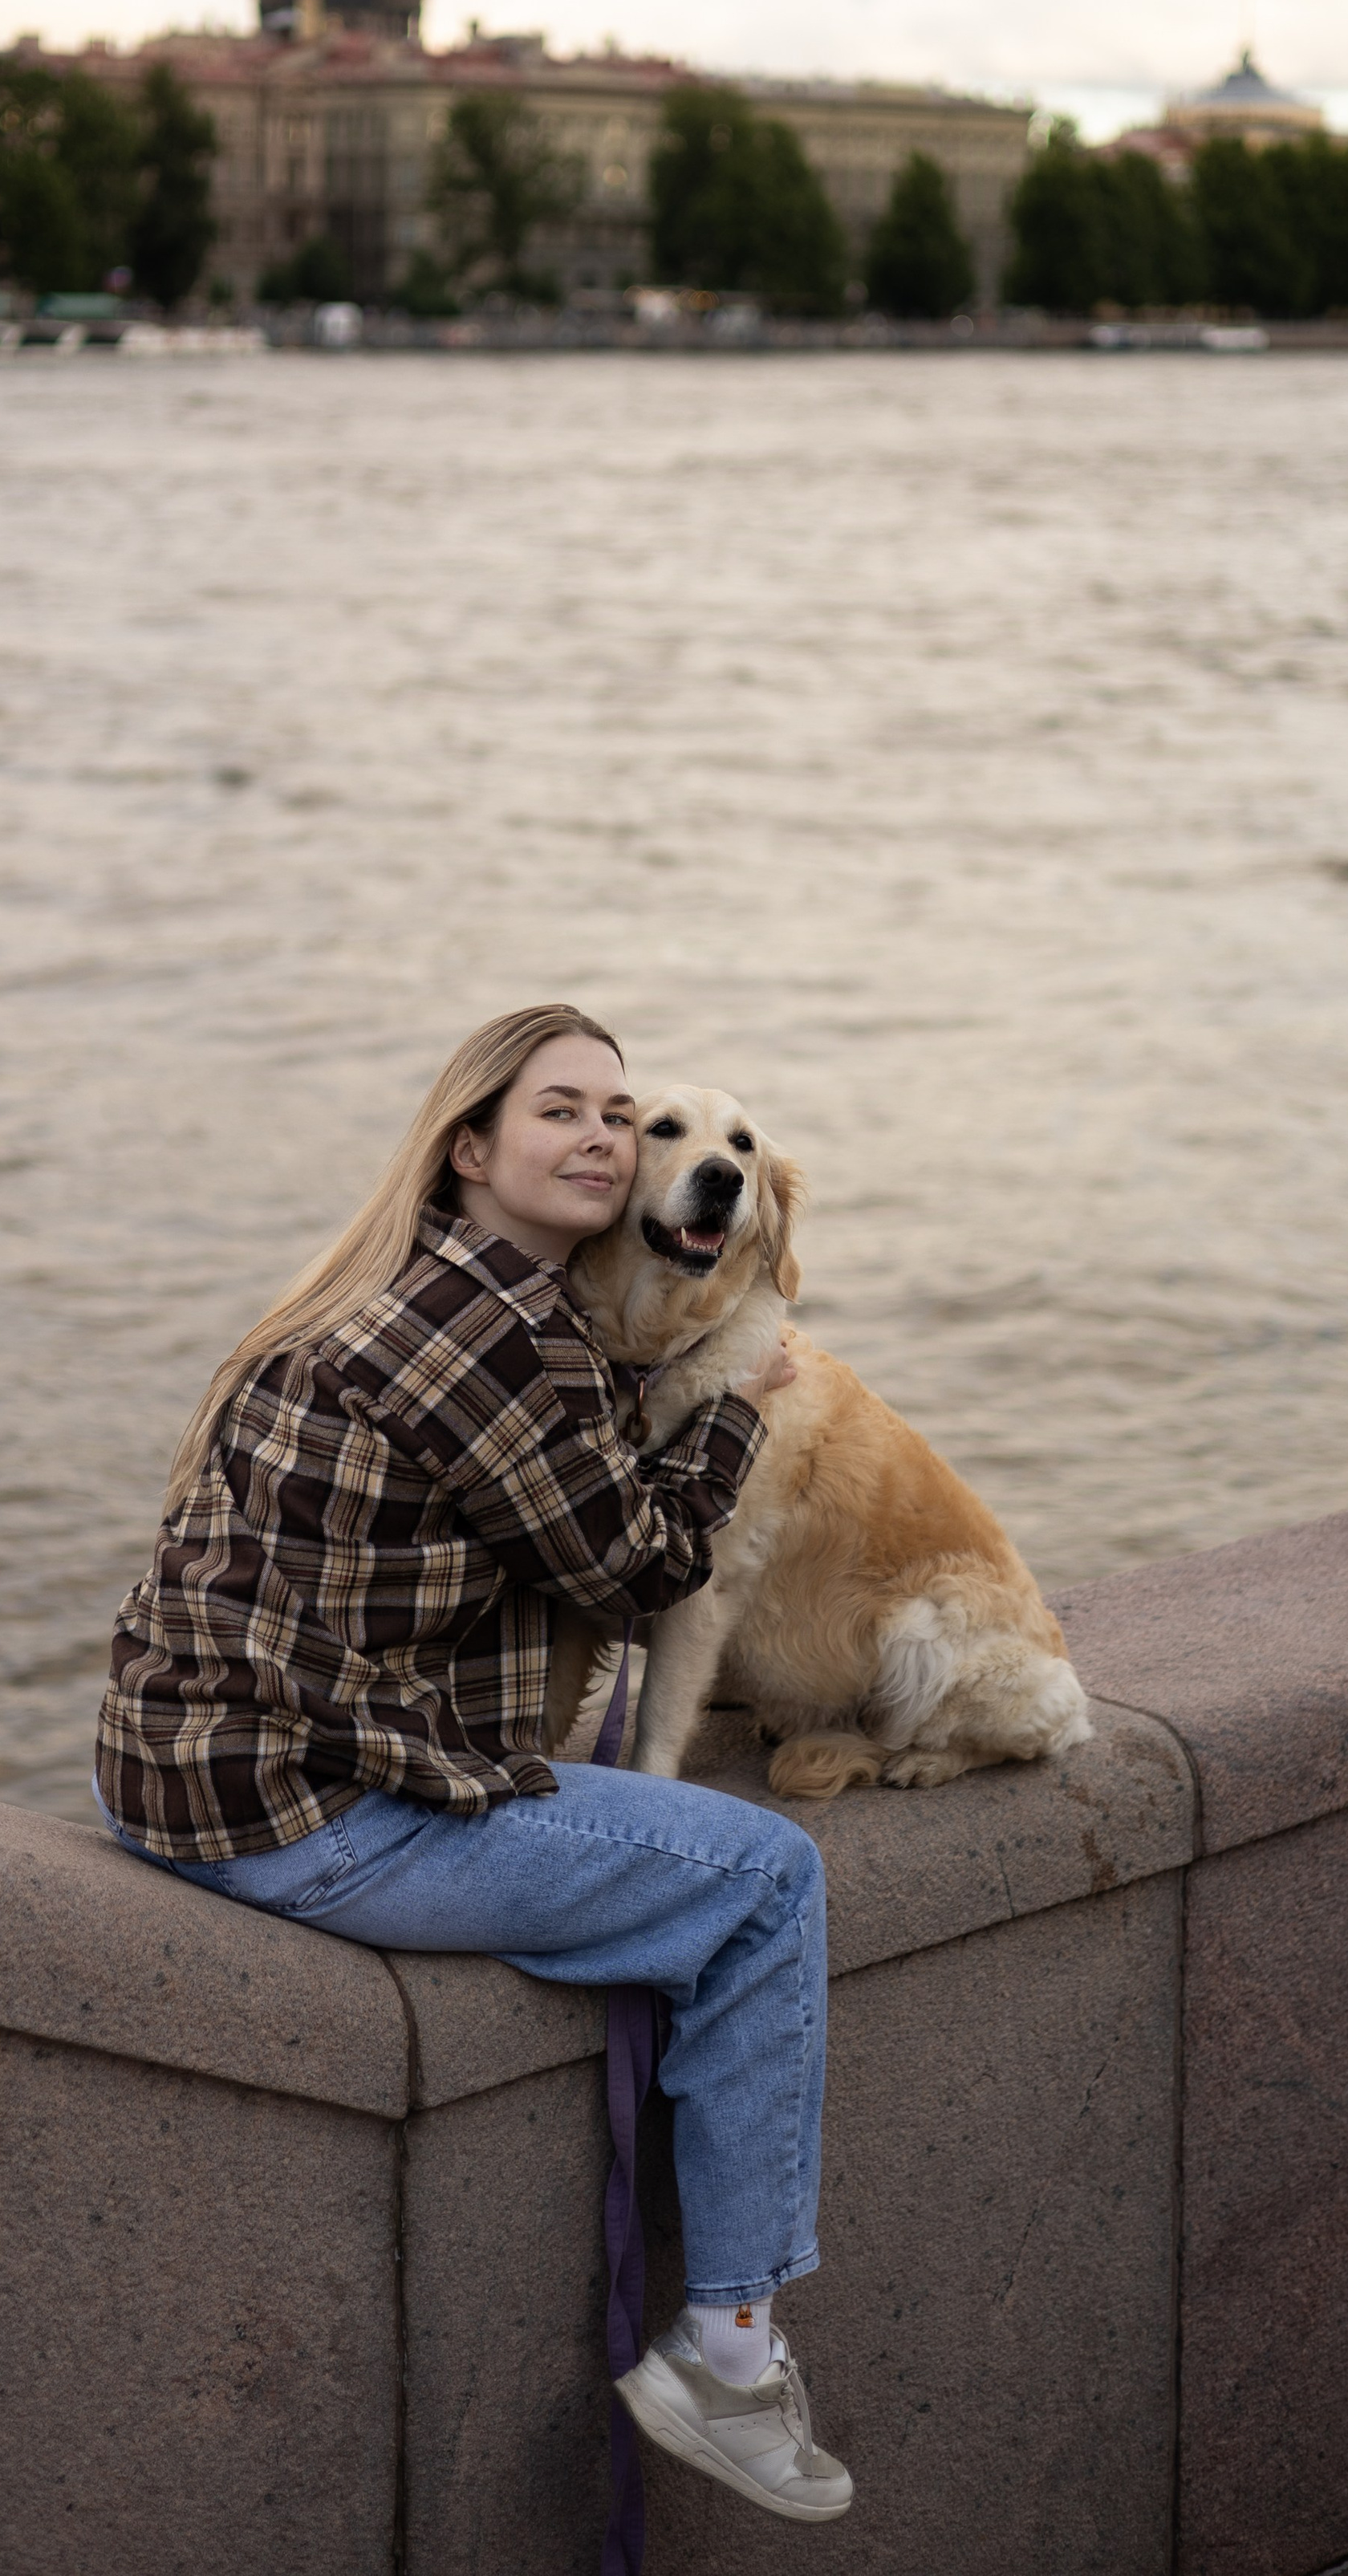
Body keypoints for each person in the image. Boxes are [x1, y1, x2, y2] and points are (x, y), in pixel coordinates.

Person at [95, 1001, 851, 2523]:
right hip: (305, 1815)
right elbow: (636, 1570)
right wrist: (734, 1414)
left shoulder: (404, 1289)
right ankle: (728, 2354)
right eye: (560, 1112)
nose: (603, 1138)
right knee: (769, 1880)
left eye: (617, 1115)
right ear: (468, 1150)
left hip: (178, 1767)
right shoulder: (487, 1337)